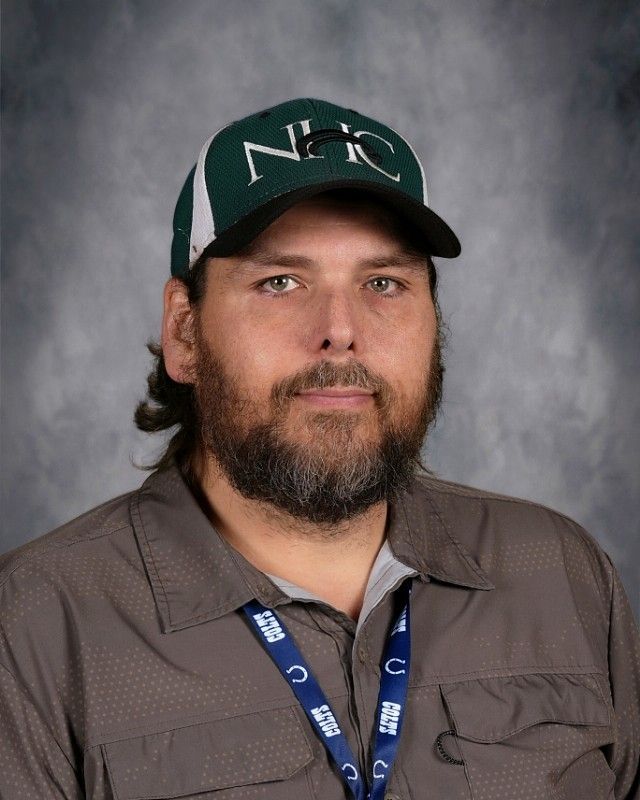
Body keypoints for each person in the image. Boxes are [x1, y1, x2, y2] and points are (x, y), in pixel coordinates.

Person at [0, 98, 638, 800]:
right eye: (280, 282)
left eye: (383, 283)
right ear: (185, 332)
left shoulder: (561, 575)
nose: (340, 330)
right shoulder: (35, 627)